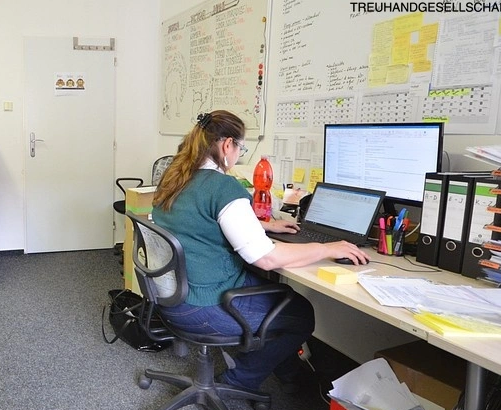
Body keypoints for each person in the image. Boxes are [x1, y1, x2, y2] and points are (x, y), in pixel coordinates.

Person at [151, 110, 369, 393]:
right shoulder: (221, 187)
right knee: (300, 313)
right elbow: (266, 258)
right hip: (203, 305)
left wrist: (262, 225)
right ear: (227, 145)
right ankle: (239, 379)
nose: (238, 155)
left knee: (279, 293)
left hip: (170, 297)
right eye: (240, 148)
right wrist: (327, 248)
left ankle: (288, 375)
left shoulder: (176, 177)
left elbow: (196, 221)